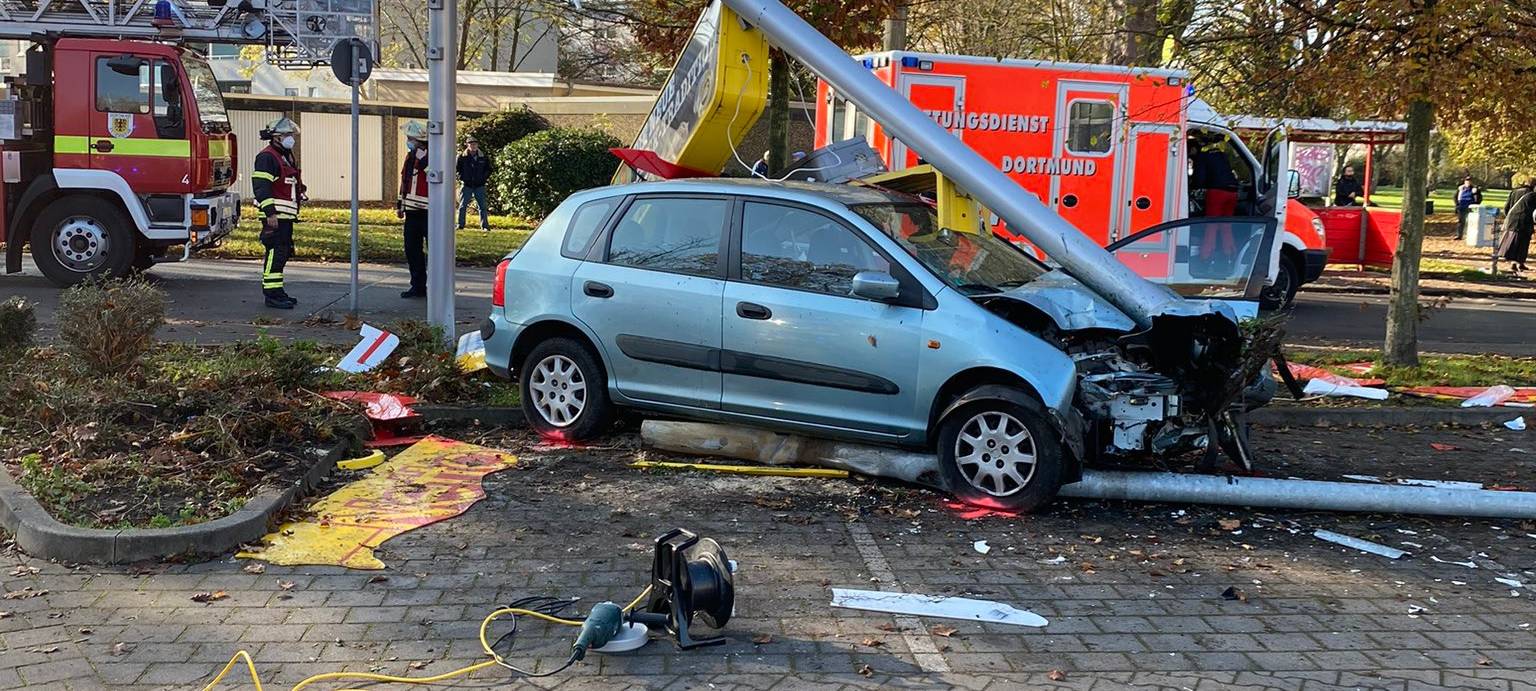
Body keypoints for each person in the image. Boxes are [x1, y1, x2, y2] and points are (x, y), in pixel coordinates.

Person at [250, 117, 305, 309]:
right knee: (275, 253)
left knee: (282, 253)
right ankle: (272, 295)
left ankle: (278, 291)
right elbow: (261, 187)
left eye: (291, 135)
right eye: (287, 135)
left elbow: (287, 179)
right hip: (275, 216)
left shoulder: (285, 155)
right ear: (276, 137)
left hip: (285, 216)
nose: (291, 138)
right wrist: (270, 213)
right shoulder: (267, 157)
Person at [397, 121, 430, 299]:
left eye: (410, 139)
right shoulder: (410, 157)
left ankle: (436, 288)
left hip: (429, 213)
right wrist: (400, 205)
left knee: (434, 253)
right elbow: (406, 182)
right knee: (412, 250)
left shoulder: (431, 155)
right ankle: (417, 286)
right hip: (411, 212)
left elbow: (432, 173)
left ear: (419, 140)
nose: (408, 141)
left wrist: (422, 156)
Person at [1497, 180, 1536, 272]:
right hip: (1525, 221)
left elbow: (1507, 207)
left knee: (1513, 241)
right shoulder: (1533, 195)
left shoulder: (1514, 192)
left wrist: (1509, 217)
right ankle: (1519, 263)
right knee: (1523, 243)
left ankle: (1513, 263)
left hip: (1512, 220)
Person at [456, 137, 492, 231]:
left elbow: (489, 169)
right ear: (467, 145)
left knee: (482, 207)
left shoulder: (483, 157)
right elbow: (457, 169)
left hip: (479, 185)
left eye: (475, 144)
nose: (473, 146)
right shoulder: (462, 157)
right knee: (462, 206)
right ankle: (460, 225)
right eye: (471, 144)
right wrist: (462, 178)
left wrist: (483, 178)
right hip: (466, 185)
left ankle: (485, 226)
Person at [1454, 176, 1483, 240]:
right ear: (1464, 182)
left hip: (1471, 207)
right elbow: (1455, 197)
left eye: (1469, 181)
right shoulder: (1460, 189)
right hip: (1461, 207)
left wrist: (1476, 205)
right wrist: (1457, 205)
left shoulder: (1474, 190)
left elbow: (1479, 198)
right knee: (1461, 221)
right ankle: (1459, 235)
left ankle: (1470, 236)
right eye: (1467, 181)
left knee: (1472, 222)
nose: (1468, 182)